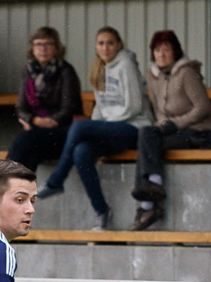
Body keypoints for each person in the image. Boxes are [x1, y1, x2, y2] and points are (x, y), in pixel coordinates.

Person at [35, 26, 152, 230]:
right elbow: (100, 108)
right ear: (96, 47)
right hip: (113, 129)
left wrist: (101, 125)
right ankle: (101, 211)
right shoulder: (100, 68)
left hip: (135, 128)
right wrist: (98, 125)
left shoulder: (126, 64)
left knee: (80, 127)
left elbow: (135, 106)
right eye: (101, 43)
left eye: (110, 43)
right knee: (81, 151)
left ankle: (56, 181)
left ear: (119, 45)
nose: (105, 48)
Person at [130, 30, 211, 231]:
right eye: (157, 50)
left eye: (166, 49)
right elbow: (158, 109)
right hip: (172, 131)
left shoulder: (187, 73)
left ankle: (147, 205)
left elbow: (202, 108)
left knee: (148, 141)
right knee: (146, 134)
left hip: (198, 130)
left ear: (175, 51)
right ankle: (154, 186)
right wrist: (164, 123)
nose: (161, 54)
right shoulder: (152, 76)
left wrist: (175, 123)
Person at [5, 27, 83, 172]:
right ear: (32, 48)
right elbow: (21, 107)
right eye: (38, 44)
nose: (43, 48)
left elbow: (68, 108)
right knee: (30, 154)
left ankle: (4, 179)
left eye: (48, 44)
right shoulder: (28, 71)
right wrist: (34, 120)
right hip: (36, 130)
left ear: (57, 48)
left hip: (63, 131)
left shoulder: (65, 71)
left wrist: (48, 122)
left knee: (27, 140)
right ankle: (16, 184)